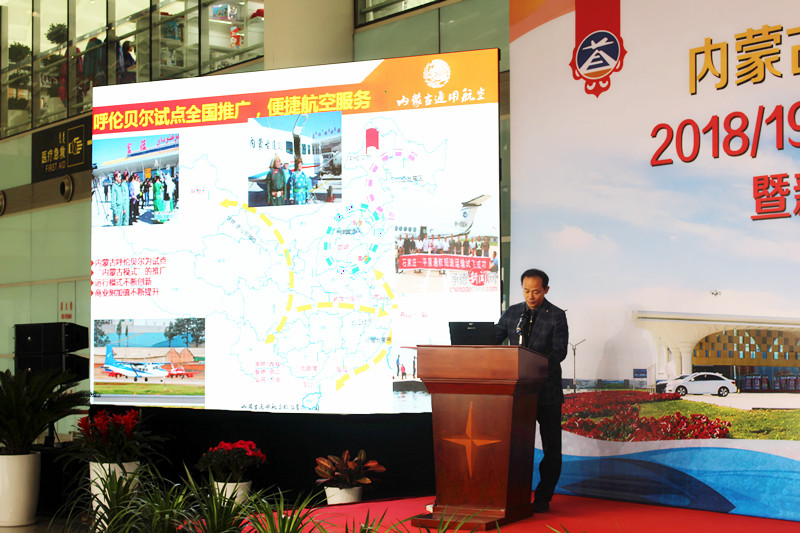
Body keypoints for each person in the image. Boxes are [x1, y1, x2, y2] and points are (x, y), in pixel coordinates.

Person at [494, 268, 568, 513]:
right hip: (517, 392)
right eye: (526, 291)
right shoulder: (513, 312)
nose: (531, 296)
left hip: (546, 392)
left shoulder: (556, 315)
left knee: (551, 449)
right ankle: (514, 495)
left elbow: (560, 352)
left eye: (536, 291)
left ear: (546, 290)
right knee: (514, 446)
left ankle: (543, 497)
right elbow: (494, 338)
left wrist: (533, 362)